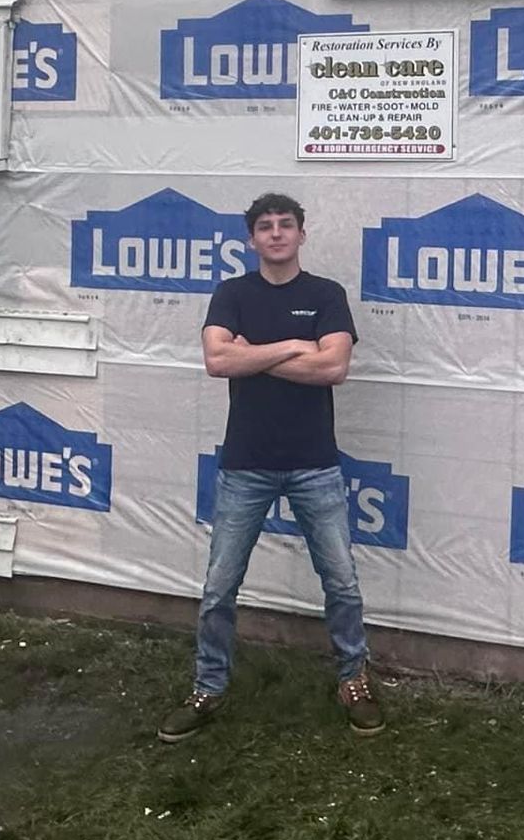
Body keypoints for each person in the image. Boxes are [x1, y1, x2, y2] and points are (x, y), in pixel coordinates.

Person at [158, 191, 383, 742]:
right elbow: (218, 361)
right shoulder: (232, 293)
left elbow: (332, 369)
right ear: (251, 238)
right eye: (265, 226)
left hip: (315, 465)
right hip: (246, 465)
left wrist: (253, 354)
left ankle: (354, 680)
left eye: (286, 224)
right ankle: (209, 687)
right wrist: (293, 345)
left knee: (342, 583)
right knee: (219, 587)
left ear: (302, 234)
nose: (276, 233)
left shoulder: (326, 294)